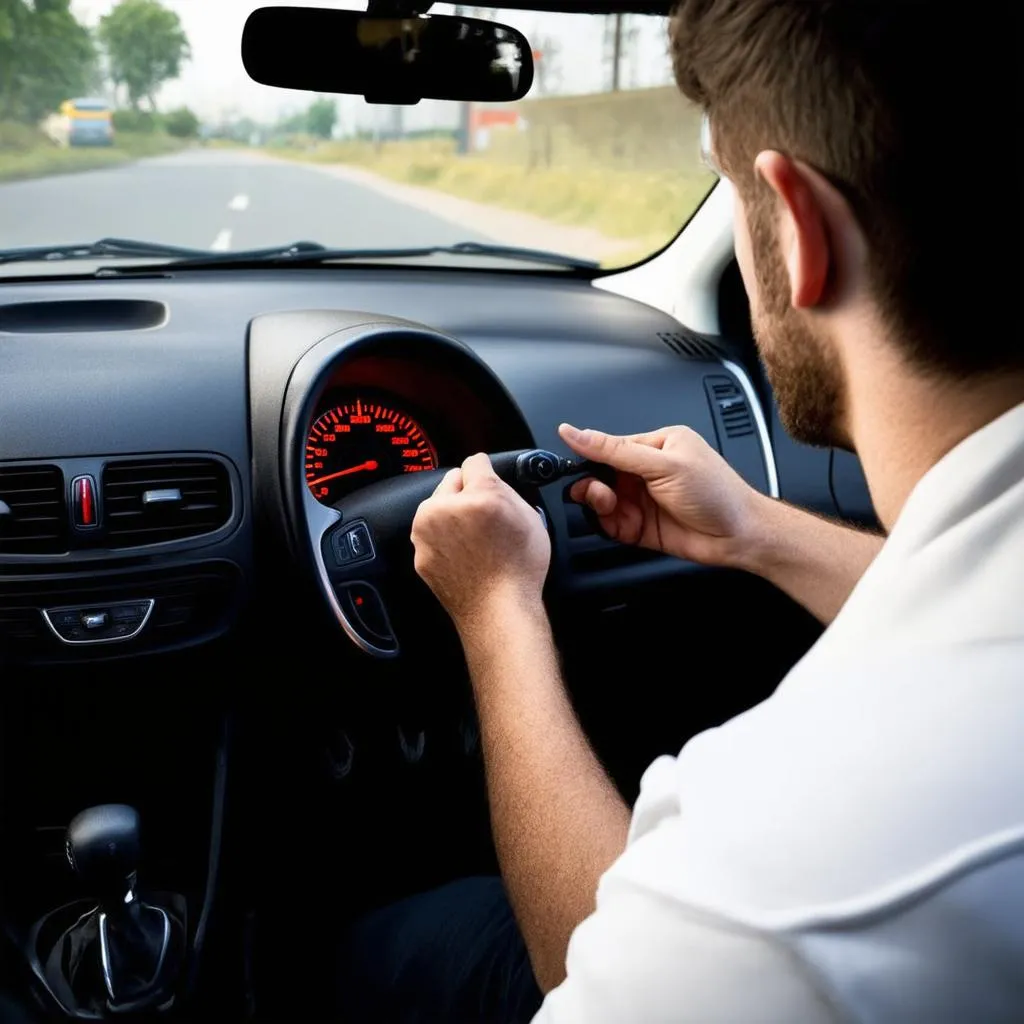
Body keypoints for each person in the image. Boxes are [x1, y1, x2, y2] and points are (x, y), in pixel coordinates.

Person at [337, 0, 1023, 1020]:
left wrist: (496, 613)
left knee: (386, 946)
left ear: (797, 230)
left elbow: (590, 970)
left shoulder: (795, 872)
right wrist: (757, 528)